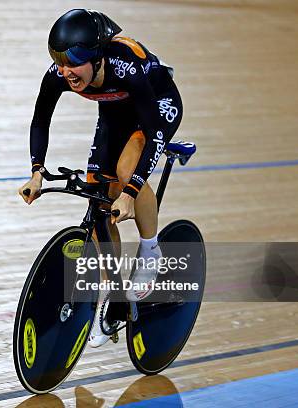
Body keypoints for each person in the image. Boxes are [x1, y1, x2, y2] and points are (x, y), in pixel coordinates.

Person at [18, 9, 183, 347]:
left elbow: (151, 134)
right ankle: (114, 293)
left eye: (73, 61)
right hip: (116, 110)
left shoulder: (125, 65)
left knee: (125, 174)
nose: (65, 71)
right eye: (58, 60)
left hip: (157, 104)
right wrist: (37, 172)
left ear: (96, 56)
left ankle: (152, 251)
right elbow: (39, 121)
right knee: (98, 200)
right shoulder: (60, 76)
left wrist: (130, 191)